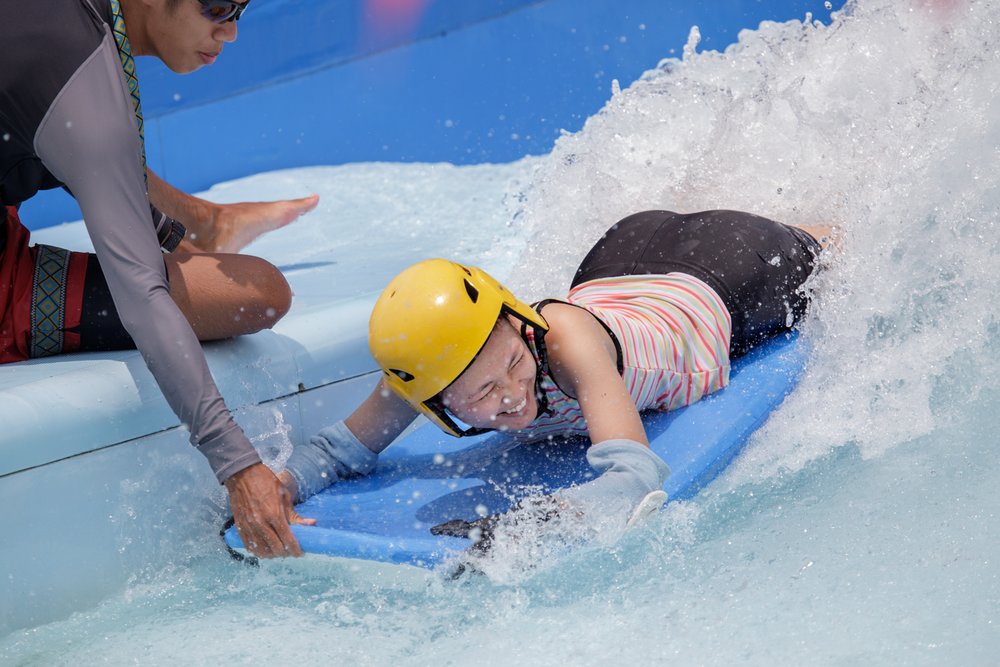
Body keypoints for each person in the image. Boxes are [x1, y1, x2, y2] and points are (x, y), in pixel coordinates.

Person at [279, 209, 831, 542]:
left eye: (517, 364)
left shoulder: (566, 345)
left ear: (520, 326)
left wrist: (534, 525)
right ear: (432, 400)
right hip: (620, 258)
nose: (513, 394)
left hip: (729, 275)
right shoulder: (429, 370)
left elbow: (633, 478)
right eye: (484, 394)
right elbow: (336, 453)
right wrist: (278, 487)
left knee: (838, 253)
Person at [1, 0, 317, 557]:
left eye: (243, 7)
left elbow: (50, 138)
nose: (233, 30)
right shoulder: (83, 87)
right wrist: (238, 465)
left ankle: (206, 224)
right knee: (259, 293)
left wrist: (170, 232)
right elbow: (141, 294)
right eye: (217, 4)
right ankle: (205, 225)